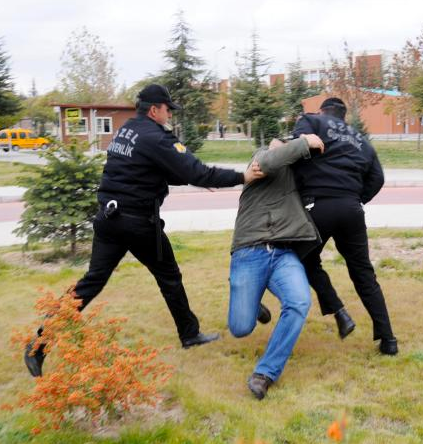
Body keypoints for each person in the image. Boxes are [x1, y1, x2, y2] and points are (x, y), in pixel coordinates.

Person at [24, 84, 265, 378]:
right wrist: (242, 176)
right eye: (167, 110)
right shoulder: (156, 137)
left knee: (91, 282)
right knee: (170, 277)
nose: (169, 115)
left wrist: (195, 178)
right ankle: (189, 334)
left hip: (108, 217)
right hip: (137, 222)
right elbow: (194, 170)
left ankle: (39, 345)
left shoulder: (127, 131)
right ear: (155, 110)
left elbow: (157, 168)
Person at [291, 97, 398, 355]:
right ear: (343, 116)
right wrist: (357, 198)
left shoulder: (311, 121)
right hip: (352, 210)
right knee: (364, 274)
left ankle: (339, 310)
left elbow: (296, 149)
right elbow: (378, 178)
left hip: (318, 206)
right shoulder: (362, 141)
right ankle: (388, 340)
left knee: (301, 260)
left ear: (323, 111)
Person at [228, 133, 324, 400]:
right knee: (240, 327)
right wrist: (305, 141)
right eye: (282, 146)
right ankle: (250, 299)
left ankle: (265, 373)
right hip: (250, 251)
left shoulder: (293, 179)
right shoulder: (261, 160)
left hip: (282, 254)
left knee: (299, 303)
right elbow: (270, 161)